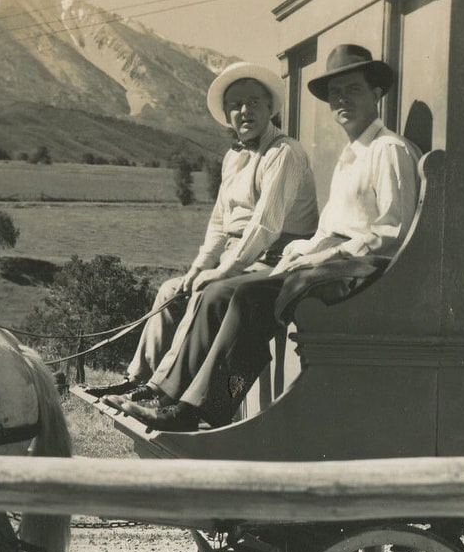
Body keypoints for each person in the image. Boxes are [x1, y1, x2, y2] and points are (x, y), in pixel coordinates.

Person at [111, 44, 421, 431]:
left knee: (246, 296)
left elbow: (392, 234)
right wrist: (302, 251)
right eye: (335, 94)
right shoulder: (350, 155)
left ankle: (209, 406)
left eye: (353, 90)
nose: (342, 100)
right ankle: (171, 396)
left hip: (361, 271)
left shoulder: (387, 150)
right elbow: (326, 230)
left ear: (376, 94)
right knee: (222, 293)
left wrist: (320, 257)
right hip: (331, 264)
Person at [86, 61, 317, 398]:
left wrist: (222, 271)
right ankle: (137, 379)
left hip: (276, 260)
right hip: (241, 258)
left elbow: (264, 226)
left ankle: (161, 391)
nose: (244, 110)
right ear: (226, 114)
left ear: (271, 107)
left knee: (205, 293)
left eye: (254, 102)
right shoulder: (233, 158)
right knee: (172, 291)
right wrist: (195, 271)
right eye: (235, 105)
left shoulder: (283, 153)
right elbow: (219, 225)